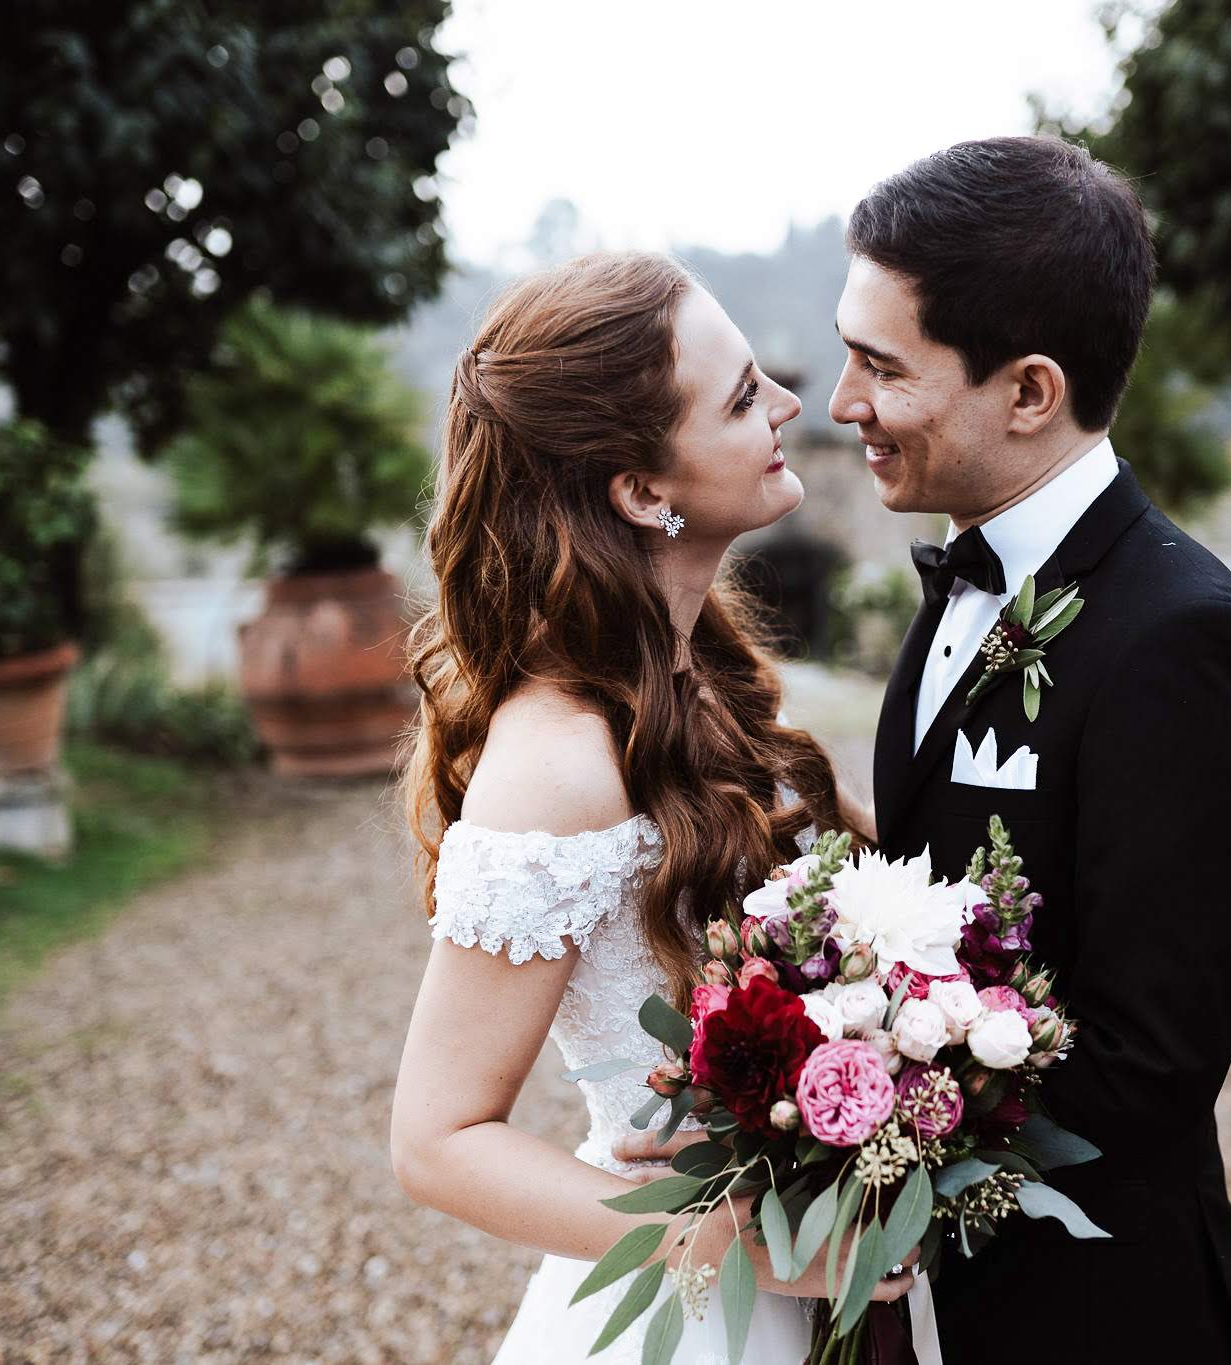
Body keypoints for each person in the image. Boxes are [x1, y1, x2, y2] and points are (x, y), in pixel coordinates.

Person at [830, 136, 1231, 1363]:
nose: (843, 405)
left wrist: (867, 1149)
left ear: (1029, 392)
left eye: (880, 367)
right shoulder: (959, 572)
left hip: (1093, 1313)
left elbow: (1146, 1066)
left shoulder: (1185, 644)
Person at [388, 251, 905, 1364]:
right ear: (639, 489)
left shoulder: (703, 678)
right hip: (695, 1317)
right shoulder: (556, 759)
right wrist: (740, 1243)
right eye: (738, 398)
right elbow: (436, 1141)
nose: (785, 405)